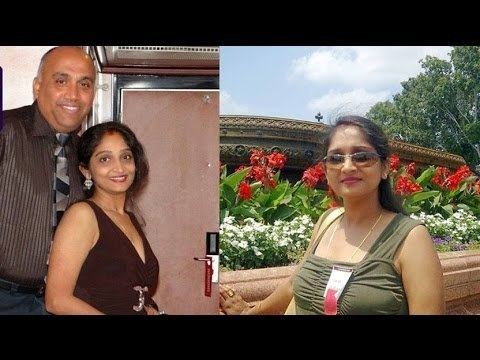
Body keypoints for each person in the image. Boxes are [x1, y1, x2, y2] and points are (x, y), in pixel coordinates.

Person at [220, 115, 445, 315]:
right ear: (326, 170)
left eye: (362, 156)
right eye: (336, 158)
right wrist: (251, 311)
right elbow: (293, 285)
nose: (347, 167)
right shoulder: (328, 221)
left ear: (385, 167)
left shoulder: (411, 238)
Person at [0, 46, 96, 314]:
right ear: (38, 86)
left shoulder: (87, 154)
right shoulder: (6, 129)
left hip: (63, 302)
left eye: (84, 84)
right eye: (61, 81)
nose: (73, 95)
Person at [45, 121, 160, 315]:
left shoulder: (129, 218)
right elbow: (56, 301)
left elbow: (130, 293)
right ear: (86, 170)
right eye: (105, 159)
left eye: (126, 157)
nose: (119, 167)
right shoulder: (83, 216)